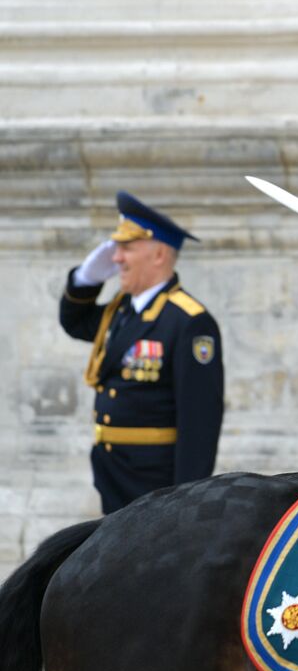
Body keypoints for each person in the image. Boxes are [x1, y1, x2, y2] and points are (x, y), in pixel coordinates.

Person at [59, 192, 223, 514]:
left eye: (126, 248)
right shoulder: (121, 311)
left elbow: (199, 423)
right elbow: (74, 323)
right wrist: (85, 279)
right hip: (113, 471)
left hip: (155, 483)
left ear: (159, 254)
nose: (116, 258)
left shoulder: (188, 321)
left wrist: (184, 501)